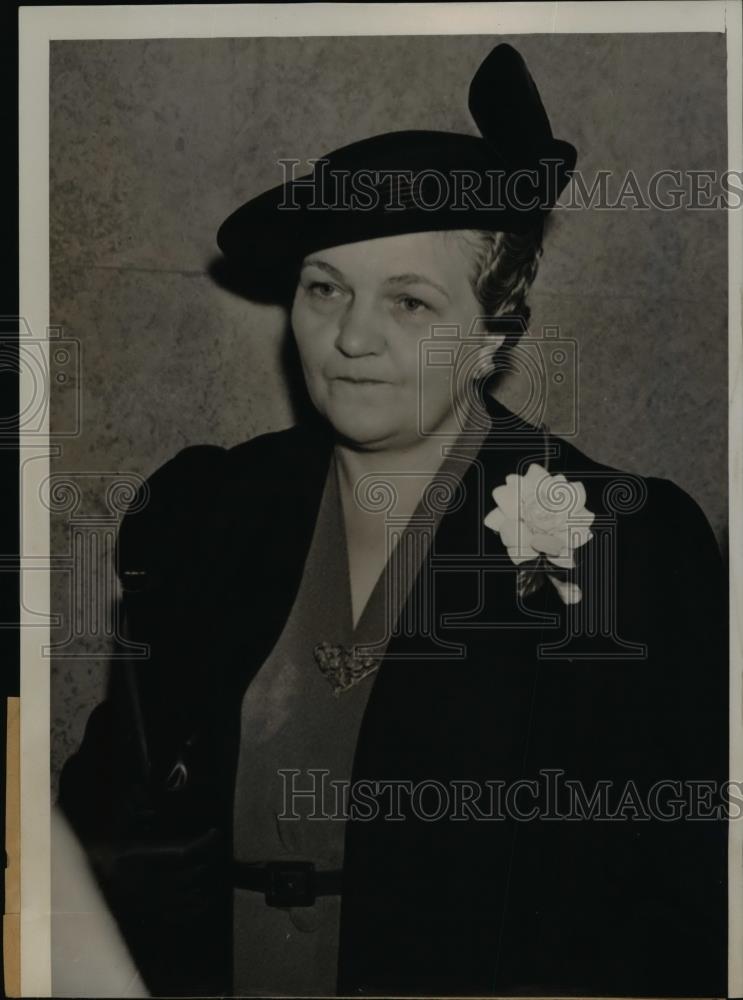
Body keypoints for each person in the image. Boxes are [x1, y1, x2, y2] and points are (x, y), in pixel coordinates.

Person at [58, 43, 728, 998]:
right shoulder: (205, 510)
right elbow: (109, 815)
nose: (351, 336)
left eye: (408, 301)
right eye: (324, 287)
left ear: (495, 328)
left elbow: (680, 898)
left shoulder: (622, 539)